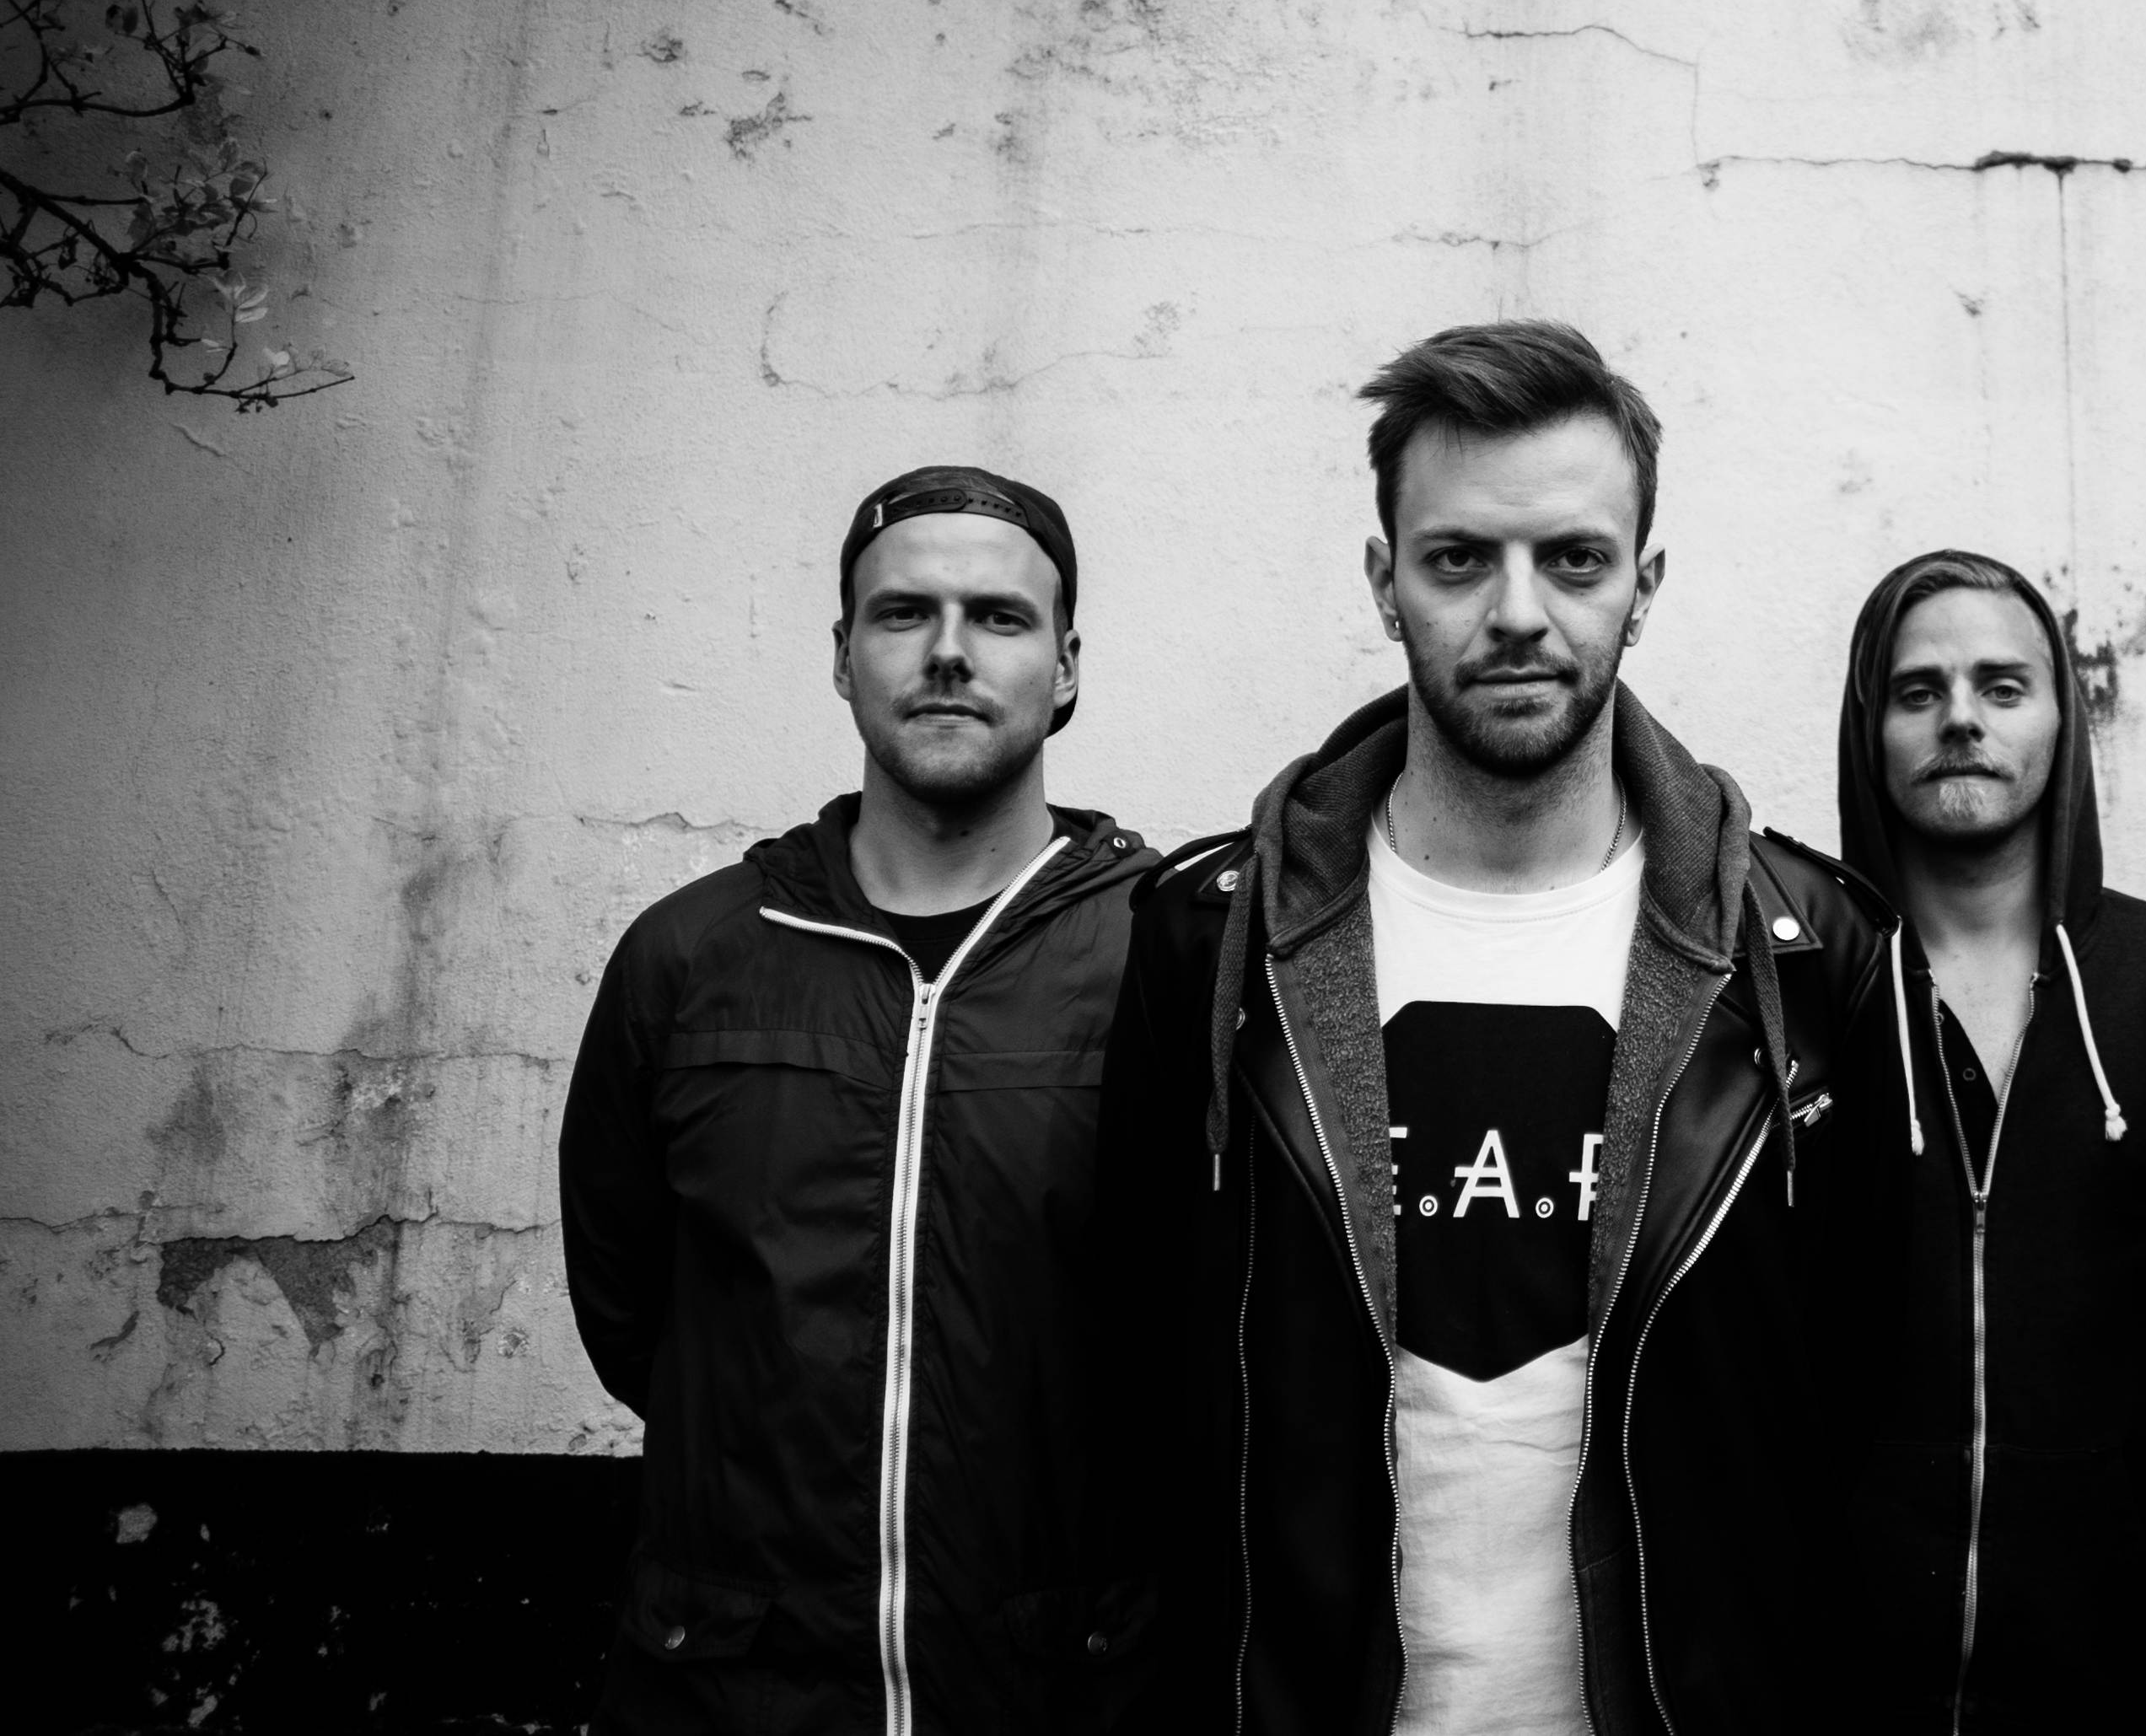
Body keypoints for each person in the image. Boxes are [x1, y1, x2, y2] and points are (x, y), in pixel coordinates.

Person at [1098, 319, 1887, 1735]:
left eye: (1573, 560)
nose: (1518, 613)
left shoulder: (1803, 953)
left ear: (1643, 585)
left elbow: (1853, 1408)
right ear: (1383, 581)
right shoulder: (1209, 942)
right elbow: (1132, 1380)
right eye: (1459, 558)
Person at [558, 466, 1164, 1733]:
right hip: (732, 1686)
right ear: (843, 657)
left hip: (1066, 1683)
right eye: (903, 614)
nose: (948, 651)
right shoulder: (694, 957)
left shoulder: (1166, 956)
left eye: (998, 617)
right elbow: (633, 1312)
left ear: (1064, 667)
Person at [1825, 551, 2146, 1732]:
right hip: (1831, 1677)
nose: (1960, 718)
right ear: (1868, 730)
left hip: (2125, 1678)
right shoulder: (1800, 998)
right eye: (1918, 691)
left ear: (2063, 721)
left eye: (2002, 687)